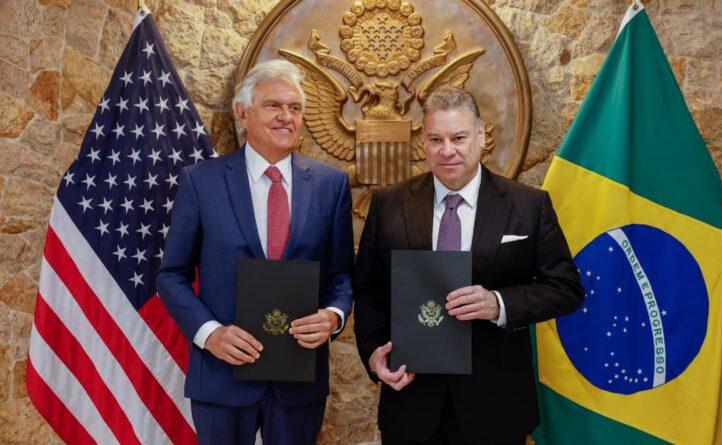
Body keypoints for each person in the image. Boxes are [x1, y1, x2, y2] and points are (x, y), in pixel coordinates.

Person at [353, 86, 584, 445]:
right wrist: (373, 354)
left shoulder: (528, 205)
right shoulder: (388, 204)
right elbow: (369, 289)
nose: (447, 151)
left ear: (480, 136)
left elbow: (566, 288)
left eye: (458, 137)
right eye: (435, 139)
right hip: (411, 402)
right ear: (424, 143)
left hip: (496, 406)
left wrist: (499, 304)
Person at [157, 59, 354, 445]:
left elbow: (342, 275)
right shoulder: (201, 182)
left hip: (299, 380)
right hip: (221, 377)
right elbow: (171, 275)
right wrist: (209, 334)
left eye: (294, 108)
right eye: (274, 106)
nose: (286, 117)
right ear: (242, 113)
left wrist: (332, 317)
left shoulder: (331, 184)